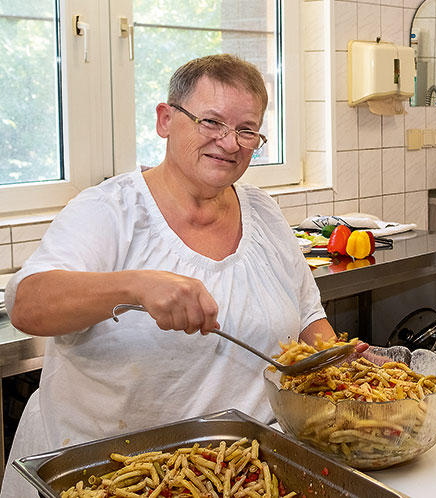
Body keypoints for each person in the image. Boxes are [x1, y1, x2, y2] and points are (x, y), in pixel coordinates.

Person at [1, 54, 341, 497]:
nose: (230, 142)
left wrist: (349, 375)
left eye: (246, 130)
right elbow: (27, 304)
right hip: (105, 477)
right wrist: (136, 286)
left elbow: (309, 320)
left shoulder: (264, 212)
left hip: (241, 474)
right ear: (166, 120)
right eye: (211, 122)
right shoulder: (110, 210)